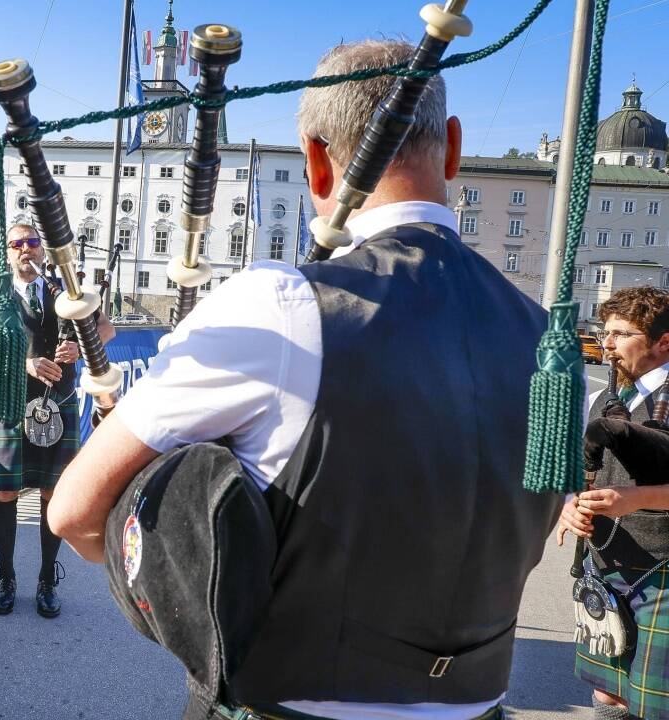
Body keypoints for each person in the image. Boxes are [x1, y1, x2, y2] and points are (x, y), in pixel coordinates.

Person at [49, 40, 562, 718]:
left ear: (315, 160)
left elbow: (74, 514)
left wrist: (163, 499)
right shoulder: (545, 338)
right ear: (454, 148)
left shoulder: (282, 305)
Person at [0, 223, 115, 618]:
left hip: (61, 402)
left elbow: (106, 327)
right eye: (16, 244)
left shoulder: (67, 295)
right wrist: (26, 364)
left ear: (42, 250)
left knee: (54, 492)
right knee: (5, 493)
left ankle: (48, 578)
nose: (25, 250)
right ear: (7, 254)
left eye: (32, 243)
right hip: (11, 405)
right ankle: (5, 576)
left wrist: (84, 344)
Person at [560, 287, 669, 720]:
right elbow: (580, 468)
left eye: (621, 334)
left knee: (655, 704)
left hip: (662, 570)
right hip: (606, 567)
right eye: (606, 332)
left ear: (664, 341)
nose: (606, 343)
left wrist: (638, 498)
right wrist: (569, 502)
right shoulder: (603, 397)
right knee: (610, 696)